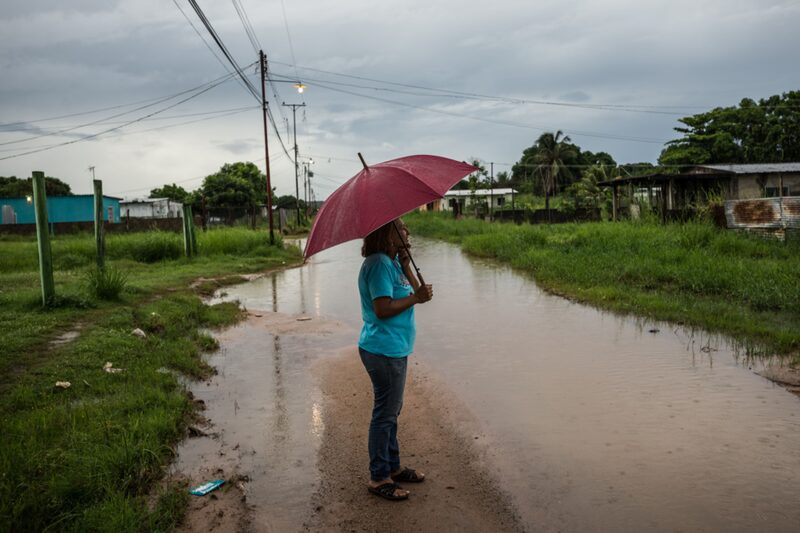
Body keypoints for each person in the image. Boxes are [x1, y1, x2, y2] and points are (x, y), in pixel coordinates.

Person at [358, 218, 433, 501]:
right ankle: (379, 477)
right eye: (401, 227)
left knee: (392, 411)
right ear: (387, 232)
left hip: (394, 347)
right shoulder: (378, 264)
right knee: (385, 414)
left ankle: (393, 466)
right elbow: (382, 308)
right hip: (383, 349)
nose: (406, 231)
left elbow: (417, 295)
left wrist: (405, 265)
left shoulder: (391, 262)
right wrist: (415, 298)